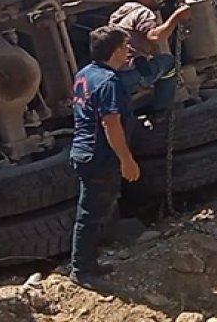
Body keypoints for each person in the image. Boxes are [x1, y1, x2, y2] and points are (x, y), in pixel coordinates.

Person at [69, 25, 141, 291]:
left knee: (97, 209)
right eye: (125, 46)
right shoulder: (109, 82)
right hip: (99, 155)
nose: (129, 51)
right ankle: (82, 270)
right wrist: (127, 160)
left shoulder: (85, 74)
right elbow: (111, 124)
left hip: (85, 151)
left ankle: (90, 263)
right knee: (89, 214)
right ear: (115, 50)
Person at [109, 0, 192, 109]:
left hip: (116, 73)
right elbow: (154, 36)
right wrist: (176, 17)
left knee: (154, 62)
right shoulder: (142, 12)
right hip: (132, 72)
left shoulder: (120, 13)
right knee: (169, 62)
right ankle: (161, 110)